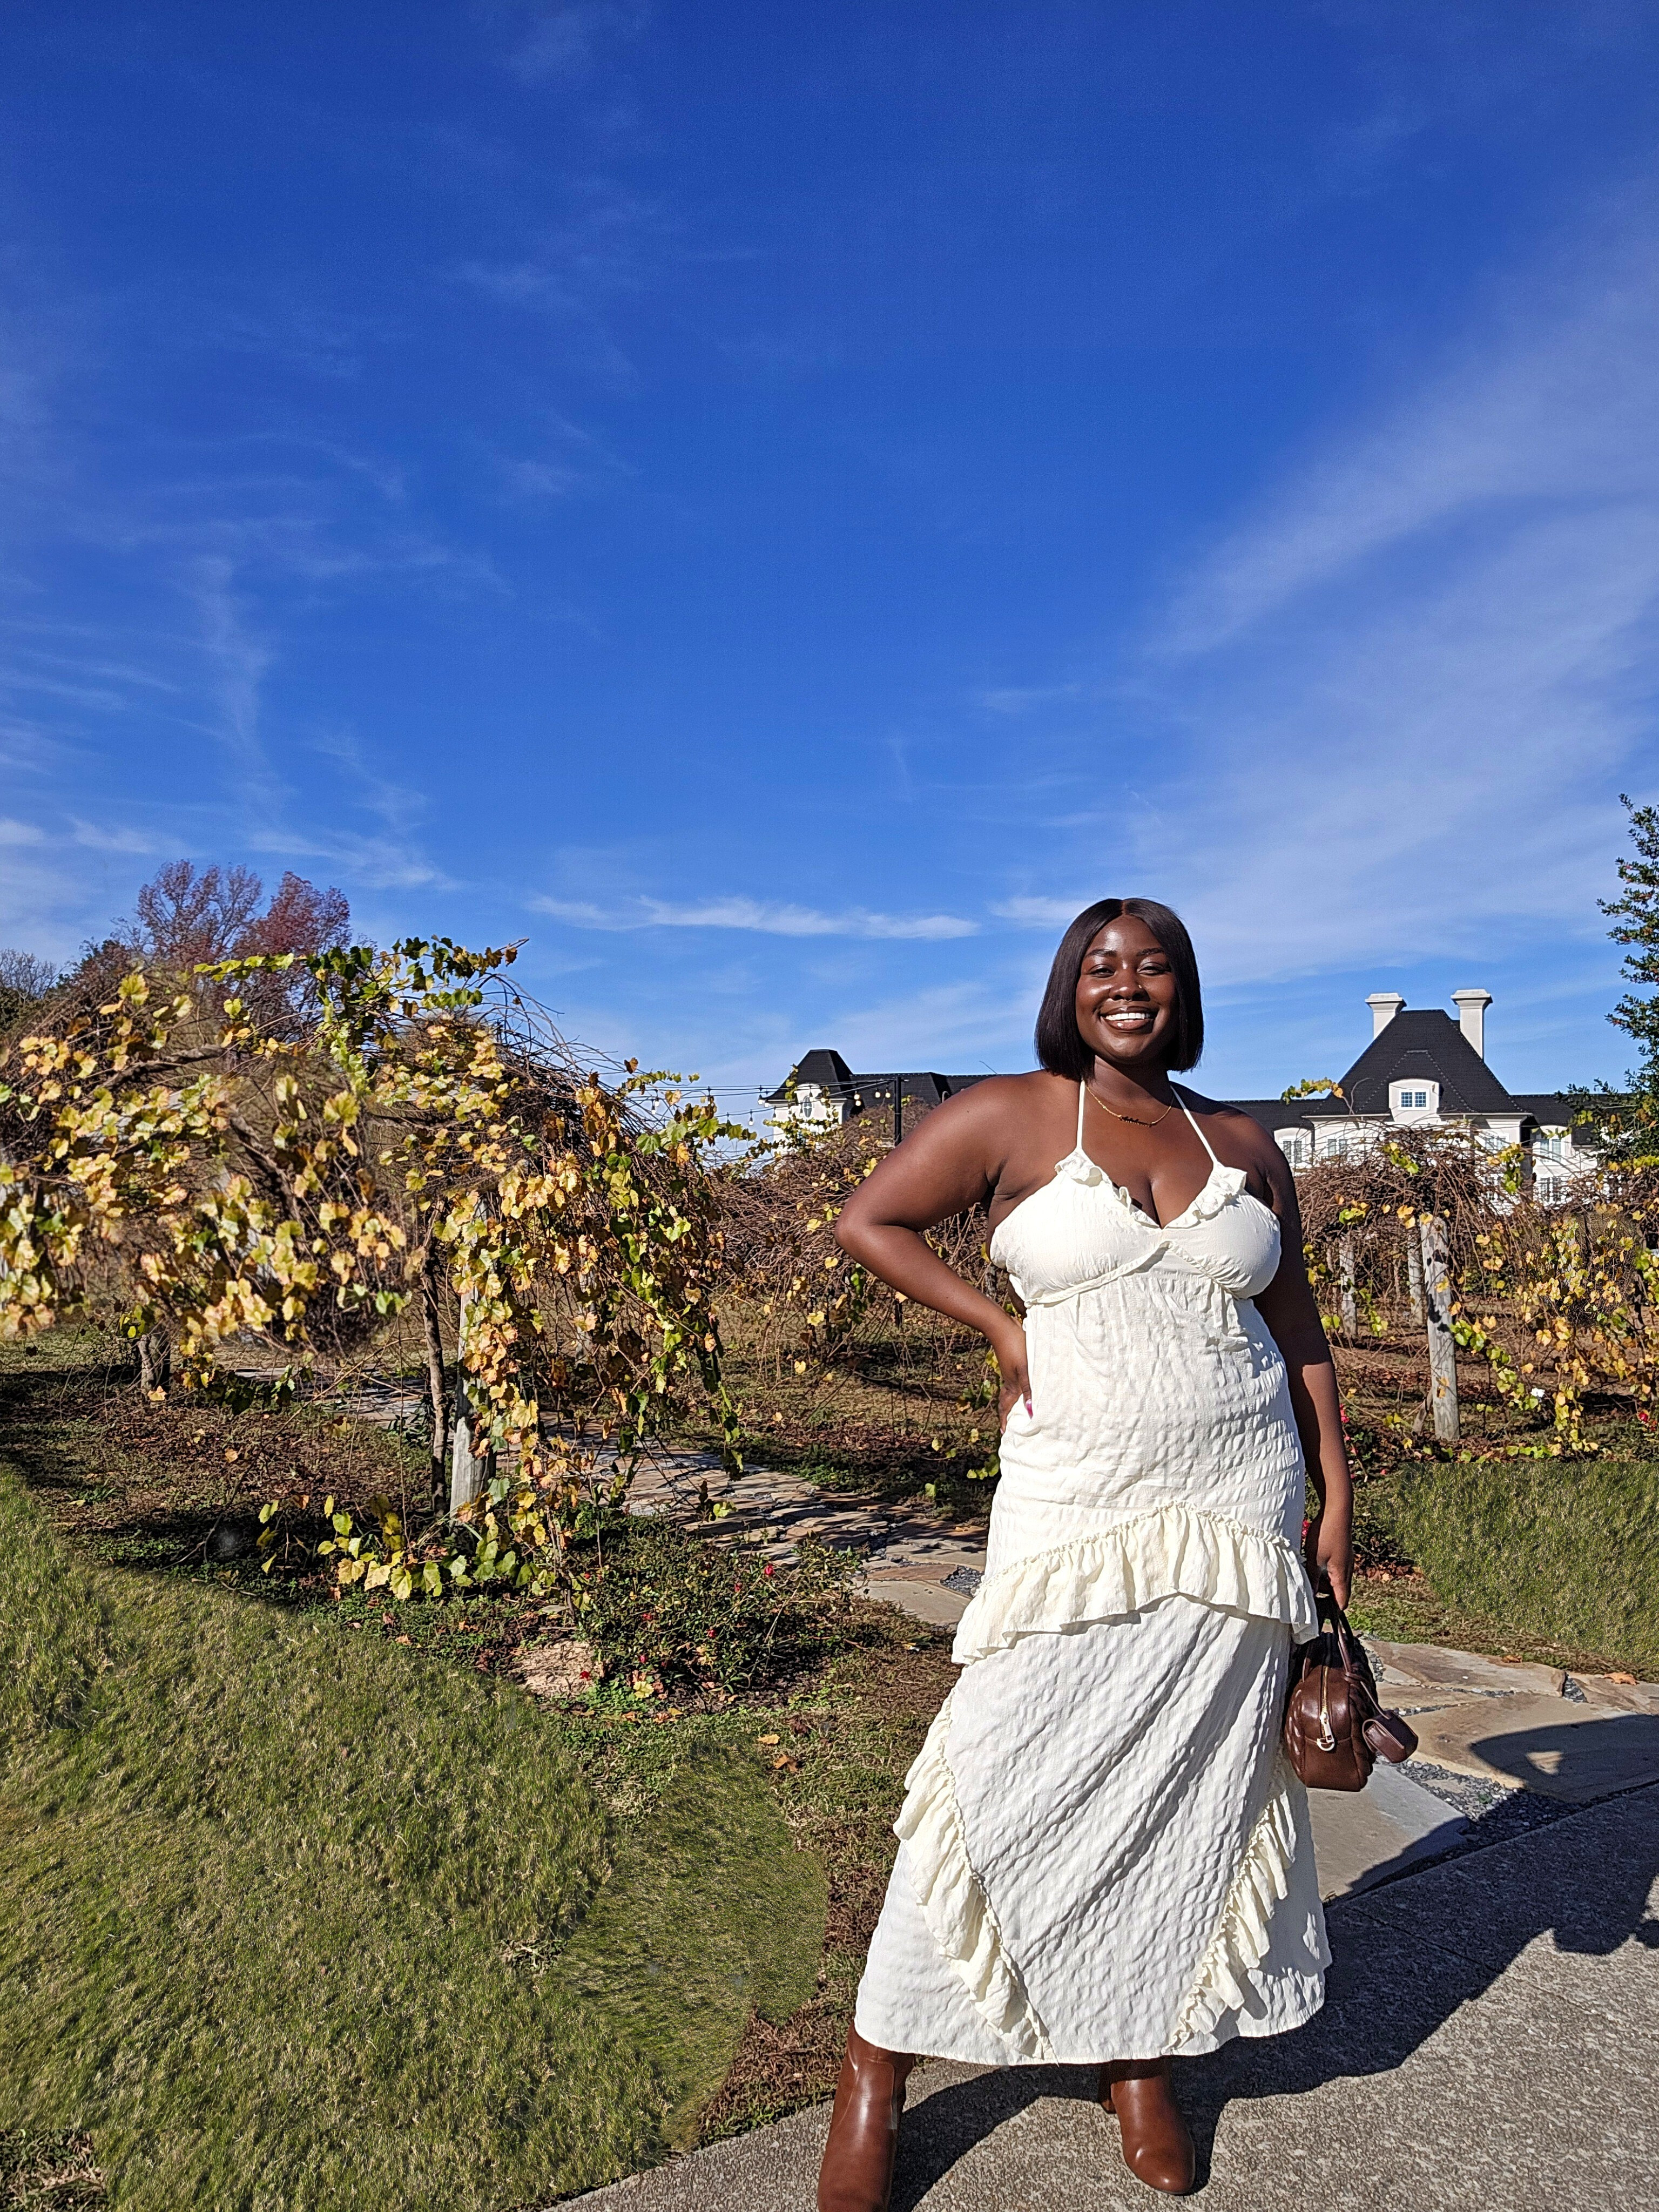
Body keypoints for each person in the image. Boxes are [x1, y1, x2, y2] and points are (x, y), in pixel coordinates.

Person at [815, 898, 1353, 2208]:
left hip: (1235, 1499)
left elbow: (1302, 1331)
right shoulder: (1012, 1112)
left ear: (1186, 987)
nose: (1131, 985)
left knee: (1193, 1782)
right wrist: (1000, 1330)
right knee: (1002, 1768)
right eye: (1104, 966)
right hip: (1078, 1501)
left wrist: (1335, 1493)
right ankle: (878, 2063)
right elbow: (867, 1220)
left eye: (1154, 965)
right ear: (1072, 986)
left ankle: (1137, 2063)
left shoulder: (1237, 1138)